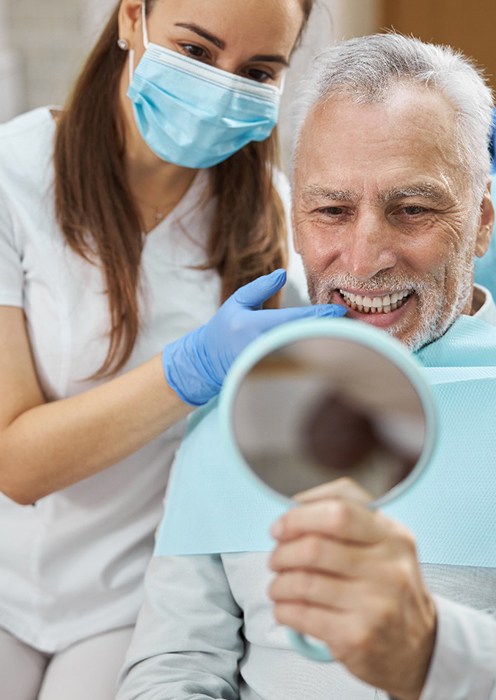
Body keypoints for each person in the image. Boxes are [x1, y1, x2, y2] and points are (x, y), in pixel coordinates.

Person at [116, 33, 496, 700]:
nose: (365, 256)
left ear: (482, 221)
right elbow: (173, 667)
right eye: (332, 211)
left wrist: (433, 653)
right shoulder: (231, 418)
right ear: (296, 222)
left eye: (413, 210)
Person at [0, 1, 362, 698]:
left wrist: (469, 195)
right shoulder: (13, 178)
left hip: (131, 597)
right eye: (196, 51)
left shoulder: (275, 221)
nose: (223, 86)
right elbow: (14, 463)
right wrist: (190, 368)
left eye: (258, 70)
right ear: (132, 17)